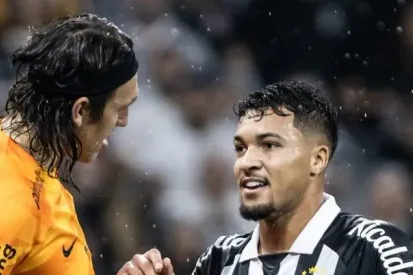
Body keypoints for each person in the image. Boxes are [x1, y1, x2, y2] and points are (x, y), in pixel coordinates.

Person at [0, 13, 173, 275]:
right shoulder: (1, 200)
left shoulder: (28, 155)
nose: (123, 122)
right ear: (80, 111)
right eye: (120, 109)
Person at [121, 80, 413, 274]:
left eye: (269, 145)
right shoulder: (220, 259)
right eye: (240, 148)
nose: (246, 163)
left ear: (318, 159)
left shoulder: (374, 248)